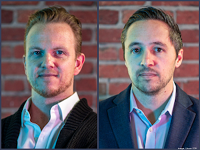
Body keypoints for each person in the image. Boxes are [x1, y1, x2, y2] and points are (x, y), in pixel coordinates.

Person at [99, 7, 199, 149]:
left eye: (158, 49)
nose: (146, 61)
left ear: (179, 58)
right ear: (125, 58)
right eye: (136, 50)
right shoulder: (97, 118)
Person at [2, 6, 97, 148]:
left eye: (59, 52)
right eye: (36, 52)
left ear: (77, 64)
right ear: (25, 64)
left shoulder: (101, 133)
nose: (46, 63)